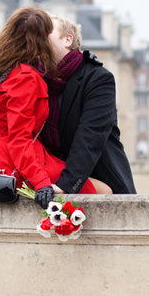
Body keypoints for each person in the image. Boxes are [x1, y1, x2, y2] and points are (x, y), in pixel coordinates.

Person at [0, 7, 99, 213]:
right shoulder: (25, 78)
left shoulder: (4, 70)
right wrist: (41, 183)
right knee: (97, 190)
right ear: (41, 41)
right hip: (13, 164)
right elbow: (18, 139)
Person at [43, 14, 136, 197]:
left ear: (67, 40)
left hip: (102, 185)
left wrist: (66, 184)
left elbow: (90, 136)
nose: (39, 38)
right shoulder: (37, 80)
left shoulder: (98, 78)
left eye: (46, 32)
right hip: (52, 185)